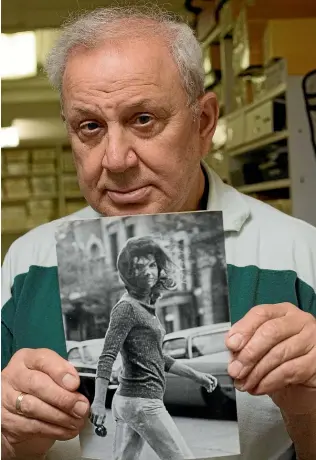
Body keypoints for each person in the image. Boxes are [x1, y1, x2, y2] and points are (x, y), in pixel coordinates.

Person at [1, 4, 315, 460]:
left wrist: (308, 413)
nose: (116, 159)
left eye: (143, 119)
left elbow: (159, 360)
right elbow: (112, 359)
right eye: (90, 126)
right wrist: (10, 440)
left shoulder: (299, 255)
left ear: (204, 123)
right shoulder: (24, 264)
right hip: (138, 402)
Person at [90, 236, 217, 459]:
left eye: (152, 265)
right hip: (142, 403)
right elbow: (107, 356)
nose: (148, 272)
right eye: (139, 268)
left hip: (132, 401)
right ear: (129, 274)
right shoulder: (126, 309)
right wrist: (99, 403)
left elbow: (158, 356)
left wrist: (197, 376)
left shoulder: (145, 306)